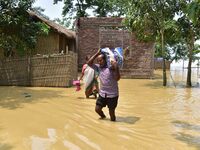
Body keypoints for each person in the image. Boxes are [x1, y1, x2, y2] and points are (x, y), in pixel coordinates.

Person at [87, 49, 120, 121]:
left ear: (105, 60)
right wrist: (97, 53)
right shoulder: (98, 68)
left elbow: (117, 78)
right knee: (97, 109)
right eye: (98, 61)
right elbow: (89, 63)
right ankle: (103, 117)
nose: (99, 62)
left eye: (101, 60)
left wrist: (116, 67)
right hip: (102, 94)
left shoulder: (111, 68)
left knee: (112, 114)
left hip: (112, 95)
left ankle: (112, 127)